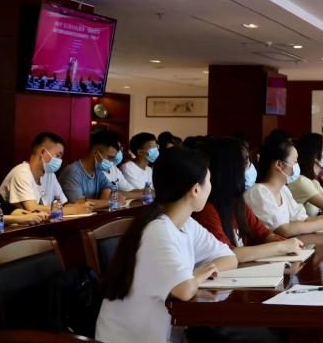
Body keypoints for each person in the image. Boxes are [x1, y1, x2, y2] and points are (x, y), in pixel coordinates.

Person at [96, 147, 240, 343]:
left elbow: (229, 258)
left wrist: (197, 274)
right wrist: (196, 276)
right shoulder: (158, 230)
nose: (211, 187)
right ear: (195, 189)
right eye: (209, 181)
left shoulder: (186, 224)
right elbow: (184, 290)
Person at [192, 137, 305, 263]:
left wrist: (286, 244)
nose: (251, 167)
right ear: (230, 169)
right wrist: (281, 247)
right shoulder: (207, 210)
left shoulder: (237, 202)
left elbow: (263, 234)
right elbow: (228, 254)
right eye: (246, 162)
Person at [243, 137, 323, 237]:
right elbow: (283, 230)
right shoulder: (258, 192)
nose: (297, 166)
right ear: (279, 165)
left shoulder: (283, 190)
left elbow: (303, 219)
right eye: (295, 162)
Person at [0, 132, 90, 215]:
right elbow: (32, 208)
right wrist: (74, 210)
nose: (60, 161)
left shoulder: (50, 175)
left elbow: (63, 204)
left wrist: (81, 207)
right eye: (58, 156)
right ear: (42, 152)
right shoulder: (21, 173)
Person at [58, 130, 127, 208]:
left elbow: (112, 190)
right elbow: (79, 203)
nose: (111, 162)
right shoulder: (72, 171)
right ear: (95, 153)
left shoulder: (98, 172)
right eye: (109, 158)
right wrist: (111, 202)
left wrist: (107, 194)